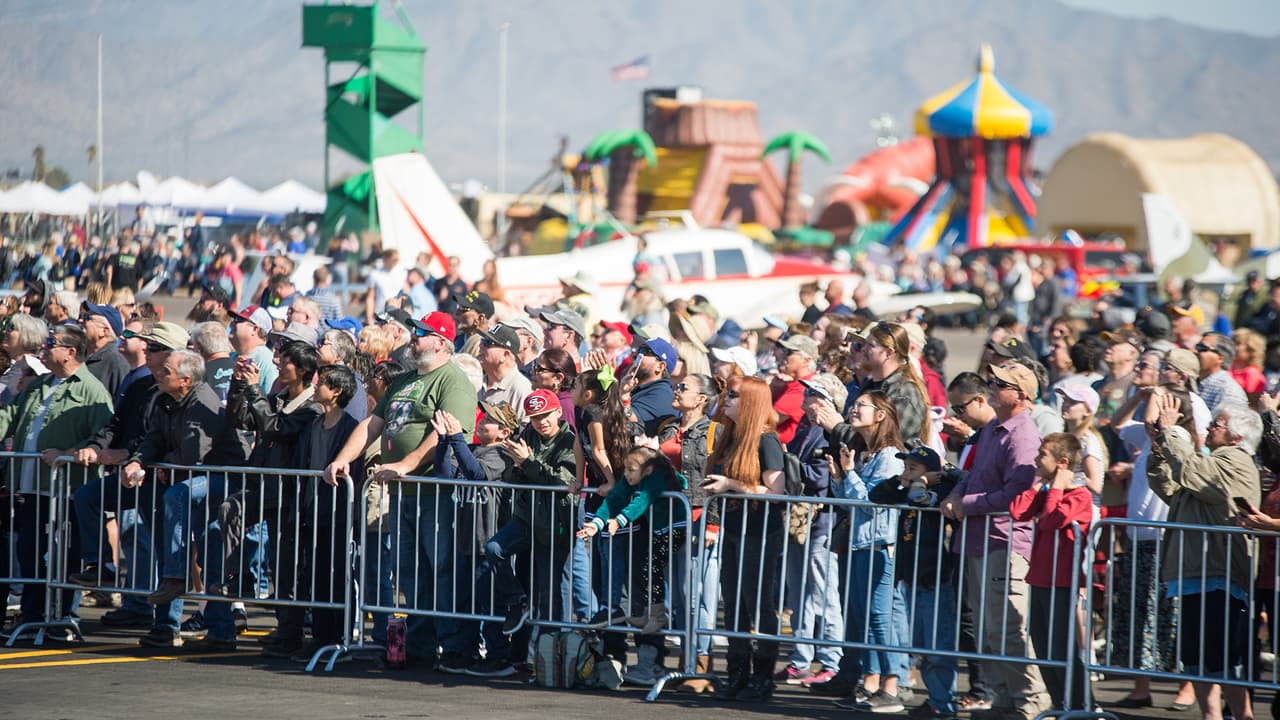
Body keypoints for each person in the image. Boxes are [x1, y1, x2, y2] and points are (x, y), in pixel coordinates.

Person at [324, 311, 477, 667]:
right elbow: (373, 424)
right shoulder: (405, 379)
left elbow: (444, 431)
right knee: (410, 572)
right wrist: (343, 458)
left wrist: (406, 465)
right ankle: (422, 646)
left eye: (421, 333)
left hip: (437, 493)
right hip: (405, 493)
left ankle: (455, 647)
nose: (413, 338)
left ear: (441, 341)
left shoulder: (452, 381)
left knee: (442, 571)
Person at [940, 362, 1052, 719]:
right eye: (990, 380)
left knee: (1009, 628)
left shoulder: (1023, 435)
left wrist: (966, 503)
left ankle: (1031, 701)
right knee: (989, 630)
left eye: (999, 383)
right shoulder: (991, 429)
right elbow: (972, 476)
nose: (990, 386)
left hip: (1004, 541)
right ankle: (1004, 698)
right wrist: (957, 494)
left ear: (1020, 394)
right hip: (977, 538)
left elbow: (1017, 495)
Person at [1146, 398, 1261, 720]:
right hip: (1196, 571)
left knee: (1221, 656)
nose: (1210, 427)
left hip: (1221, 570)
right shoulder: (1208, 463)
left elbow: (1194, 473)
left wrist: (1171, 432)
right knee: (1196, 655)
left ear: (1237, 437)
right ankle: (1210, 716)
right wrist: (1158, 446)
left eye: (1217, 424)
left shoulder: (1236, 462)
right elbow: (1170, 487)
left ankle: (1243, 716)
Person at [0, 324, 112, 637]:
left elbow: (101, 438)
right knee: (30, 551)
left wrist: (70, 452)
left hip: (67, 489)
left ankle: (64, 617)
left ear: (70, 352)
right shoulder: (39, 386)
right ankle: (32, 615)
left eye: (51, 344)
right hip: (30, 486)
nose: (45, 348)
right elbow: (9, 417)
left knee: (66, 556)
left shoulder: (92, 390)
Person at [701, 376, 787, 702]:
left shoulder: (767, 440)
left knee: (759, 604)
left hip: (761, 531)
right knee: (734, 603)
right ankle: (737, 672)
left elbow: (777, 492)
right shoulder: (731, 435)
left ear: (750, 400)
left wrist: (731, 485)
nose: (727, 399)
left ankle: (763, 676)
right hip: (735, 528)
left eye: (734, 395)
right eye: (726, 394)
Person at [475, 389, 577, 659]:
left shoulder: (569, 440)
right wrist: (520, 466)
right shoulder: (526, 436)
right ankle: (518, 602)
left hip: (554, 525)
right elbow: (510, 475)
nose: (541, 422)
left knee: (550, 594)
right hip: (525, 518)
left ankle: (551, 658)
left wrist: (527, 462)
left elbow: (562, 482)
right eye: (534, 418)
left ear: (557, 412)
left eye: (545, 415)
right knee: (495, 548)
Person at [870, 444, 962, 720]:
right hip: (912, 578)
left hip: (934, 577)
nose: (907, 473)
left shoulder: (937, 492)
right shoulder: (906, 489)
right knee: (922, 644)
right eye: (906, 467)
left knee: (938, 645)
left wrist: (925, 481)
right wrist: (900, 480)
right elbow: (876, 495)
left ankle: (944, 703)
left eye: (913, 468)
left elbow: (922, 499)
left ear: (931, 474)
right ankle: (936, 699)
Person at [829, 391, 907, 713]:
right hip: (862, 543)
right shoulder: (868, 454)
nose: (853, 409)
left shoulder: (890, 456)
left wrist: (848, 474)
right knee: (863, 617)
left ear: (880, 415)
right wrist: (840, 477)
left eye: (861, 405)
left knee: (879, 617)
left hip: (880, 545)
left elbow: (873, 503)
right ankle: (871, 682)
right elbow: (851, 502)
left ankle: (892, 685)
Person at [430, 403, 517, 677]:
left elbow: (477, 474)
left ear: (504, 431)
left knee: (490, 602)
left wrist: (456, 439)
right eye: (483, 418)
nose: (482, 423)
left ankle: (498, 655)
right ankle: (465, 650)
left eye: (490, 421)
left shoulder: (503, 454)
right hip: (466, 541)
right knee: (465, 601)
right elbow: (445, 473)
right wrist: (445, 441)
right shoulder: (472, 448)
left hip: (488, 541)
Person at [1010, 432, 1093, 711]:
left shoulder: (1079, 495)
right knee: (1044, 650)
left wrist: (1056, 488)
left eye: (1042, 455)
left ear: (1062, 462)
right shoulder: (1047, 492)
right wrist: (1038, 485)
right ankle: (1061, 706)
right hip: (1041, 580)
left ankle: (1084, 708)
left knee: (1062, 650)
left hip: (1063, 583)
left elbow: (1051, 520)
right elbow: (1018, 511)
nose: (1035, 459)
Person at [774, 374, 844, 688]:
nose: (806, 398)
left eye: (813, 394)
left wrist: (786, 463)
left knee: (825, 594)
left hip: (823, 521)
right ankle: (800, 660)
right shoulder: (805, 426)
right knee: (799, 592)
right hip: (801, 520)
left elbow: (821, 478)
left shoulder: (833, 433)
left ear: (828, 401)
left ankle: (832, 661)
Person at [577, 446, 687, 637]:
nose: (626, 474)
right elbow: (614, 498)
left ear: (648, 469)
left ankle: (658, 615)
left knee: (652, 568)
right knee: (646, 568)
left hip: (676, 528)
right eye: (626, 469)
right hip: (658, 530)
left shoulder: (656, 477)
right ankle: (648, 612)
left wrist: (619, 521)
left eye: (631, 470)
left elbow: (641, 501)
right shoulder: (632, 479)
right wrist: (596, 523)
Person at [476, 324, 532, 418]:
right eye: (482, 340)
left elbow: (524, 430)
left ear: (505, 355)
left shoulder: (521, 389)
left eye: (488, 342)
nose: (481, 345)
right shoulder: (477, 381)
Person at [770, 334, 817, 445]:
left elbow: (769, 419)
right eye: (783, 350)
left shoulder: (805, 386)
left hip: (782, 452)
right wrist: (774, 387)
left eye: (788, 352)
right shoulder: (791, 383)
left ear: (806, 361)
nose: (782, 355)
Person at [79, 300, 128, 398]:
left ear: (104, 331)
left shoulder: (116, 363)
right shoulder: (78, 354)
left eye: (87, 318)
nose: (80, 320)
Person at [0, 313, 49, 405]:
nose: (5, 331)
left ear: (27, 335)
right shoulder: (14, 364)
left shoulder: (33, 369)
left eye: (11, 328)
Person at [1196, 332, 1248, 415]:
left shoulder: (1229, 391)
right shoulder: (1193, 381)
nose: (1195, 351)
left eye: (1202, 348)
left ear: (1220, 358)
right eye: (1197, 346)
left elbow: (1231, 426)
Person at [1229, 328, 1268, 405]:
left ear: (1251, 349)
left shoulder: (1252, 374)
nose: (1232, 346)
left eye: (1238, 343)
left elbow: (1253, 404)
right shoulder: (1226, 367)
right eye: (1232, 342)